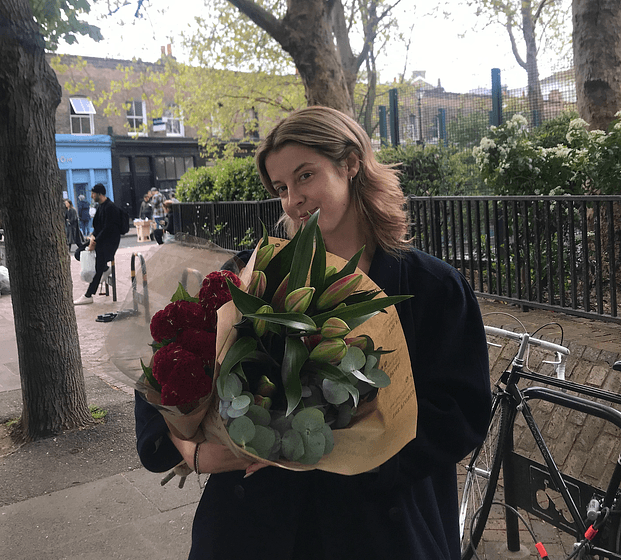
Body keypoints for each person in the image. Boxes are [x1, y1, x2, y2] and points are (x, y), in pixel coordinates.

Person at [134, 107, 492, 560]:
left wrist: (329, 449)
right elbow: (170, 364)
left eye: (305, 176)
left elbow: (460, 415)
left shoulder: (432, 287)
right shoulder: (252, 272)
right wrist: (191, 450)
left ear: (351, 164)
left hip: (376, 528)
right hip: (253, 527)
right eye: (281, 187)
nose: (292, 200)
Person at [74, 183, 122, 305]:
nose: (91, 196)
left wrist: (95, 242)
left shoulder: (110, 207)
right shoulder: (100, 206)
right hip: (100, 239)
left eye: (93, 194)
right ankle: (105, 269)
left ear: (99, 194)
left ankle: (88, 295)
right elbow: (98, 227)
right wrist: (92, 238)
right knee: (79, 252)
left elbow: (108, 229)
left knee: (98, 267)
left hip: (109, 243)